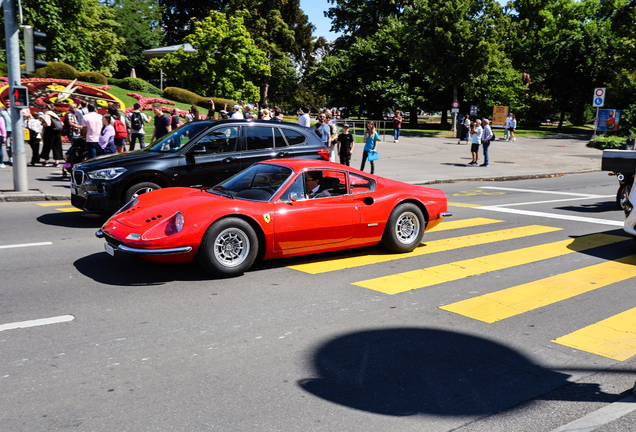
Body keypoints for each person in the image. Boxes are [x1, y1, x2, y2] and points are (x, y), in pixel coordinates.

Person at [1, 97, 12, 165]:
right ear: (4, 102)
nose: (7, 103)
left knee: (15, 145)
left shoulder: (14, 109)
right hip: (6, 130)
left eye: (9, 101)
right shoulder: (2, 110)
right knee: (8, 145)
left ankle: (16, 157)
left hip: (15, 130)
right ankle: (10, 157)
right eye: (6, 101)